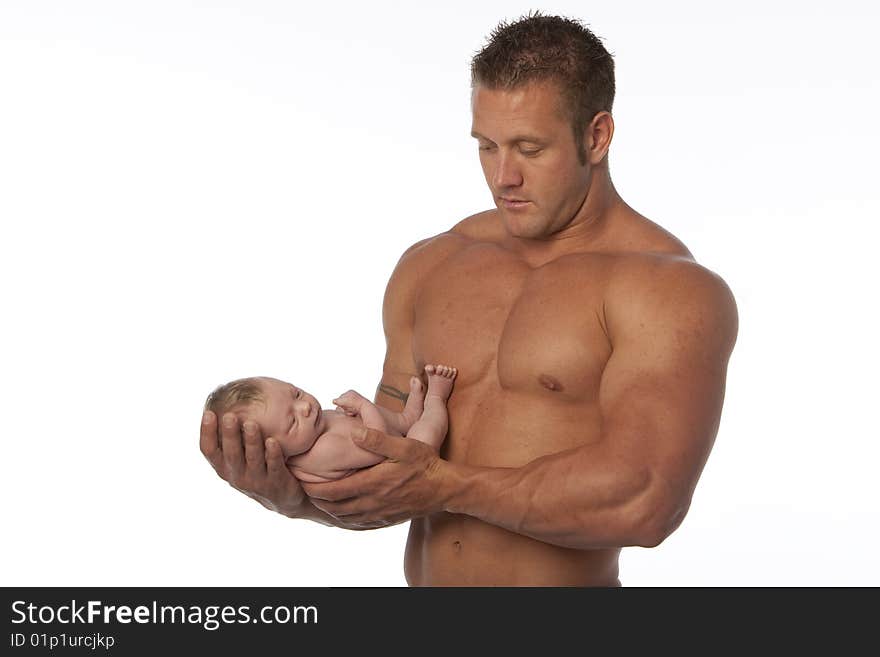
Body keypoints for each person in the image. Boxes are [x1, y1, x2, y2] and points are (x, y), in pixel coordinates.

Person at [200, 12, 739, 586]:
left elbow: (646, 502)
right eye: (487, 146)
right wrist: (293, 497)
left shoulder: (669, 289)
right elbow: (392, 475)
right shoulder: (432, 263)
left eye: (530, 148)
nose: (503, 176)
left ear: (596, 136)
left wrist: (447, 484)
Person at [203, 365, 457, 482]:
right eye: (292, 421)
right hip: (403, 456)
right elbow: (381, 444)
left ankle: (407, 418)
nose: (305, 407)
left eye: (296, 393)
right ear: (274, 452)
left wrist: (350, 414)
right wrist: (363, 406)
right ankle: (436, 397)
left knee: (377, 421)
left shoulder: (311, 432)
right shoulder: (321, 452)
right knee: (423, 438)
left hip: (393, 433)